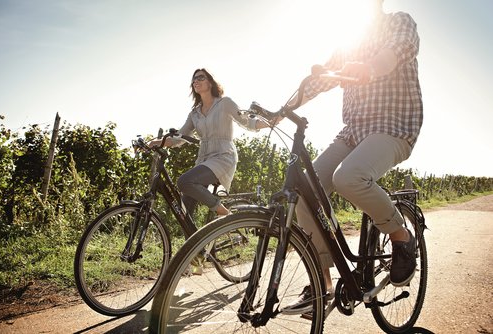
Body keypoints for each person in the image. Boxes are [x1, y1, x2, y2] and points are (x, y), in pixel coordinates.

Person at [284, 0, 423, 313]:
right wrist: (282, 111)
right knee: (307, 191)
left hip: (394, 128)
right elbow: (319, 81)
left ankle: (402, 237)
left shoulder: (399, 22)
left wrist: (370, 67)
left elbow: (396, 51)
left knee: (348, 177)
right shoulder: (347, 43)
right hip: (353, 132)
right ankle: (321, 283)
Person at [149, 68, 276, 231]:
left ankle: (222, 211)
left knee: (184, 181)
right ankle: (197, 253)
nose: (196, 81)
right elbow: (178, 138)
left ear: (210, 82)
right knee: (184, 211)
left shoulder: (225, 103)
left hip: (223, 157)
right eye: (194, 79)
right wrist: (157, 142)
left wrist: (270, 122)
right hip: (204, 159)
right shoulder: (194, 113)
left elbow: (247, 122)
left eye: (200, 78)